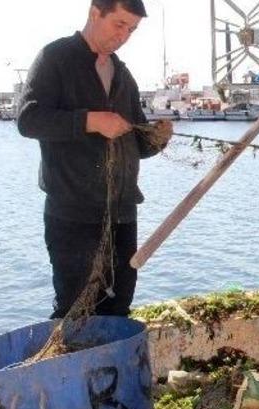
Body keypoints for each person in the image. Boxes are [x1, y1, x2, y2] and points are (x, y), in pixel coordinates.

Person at [17, 0, 172, 319]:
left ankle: (109, 369)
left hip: (123, 214)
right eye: (119, 24)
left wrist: (157, 139)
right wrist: (90, 121)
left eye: (132, 29)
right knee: (75, 309)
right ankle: (68, 367)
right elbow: (28, 120)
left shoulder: (123, 74)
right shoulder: (55, 58)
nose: (124, 35)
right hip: (73, 214)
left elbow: (136, 145)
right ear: (94, 13)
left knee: (118, 306)